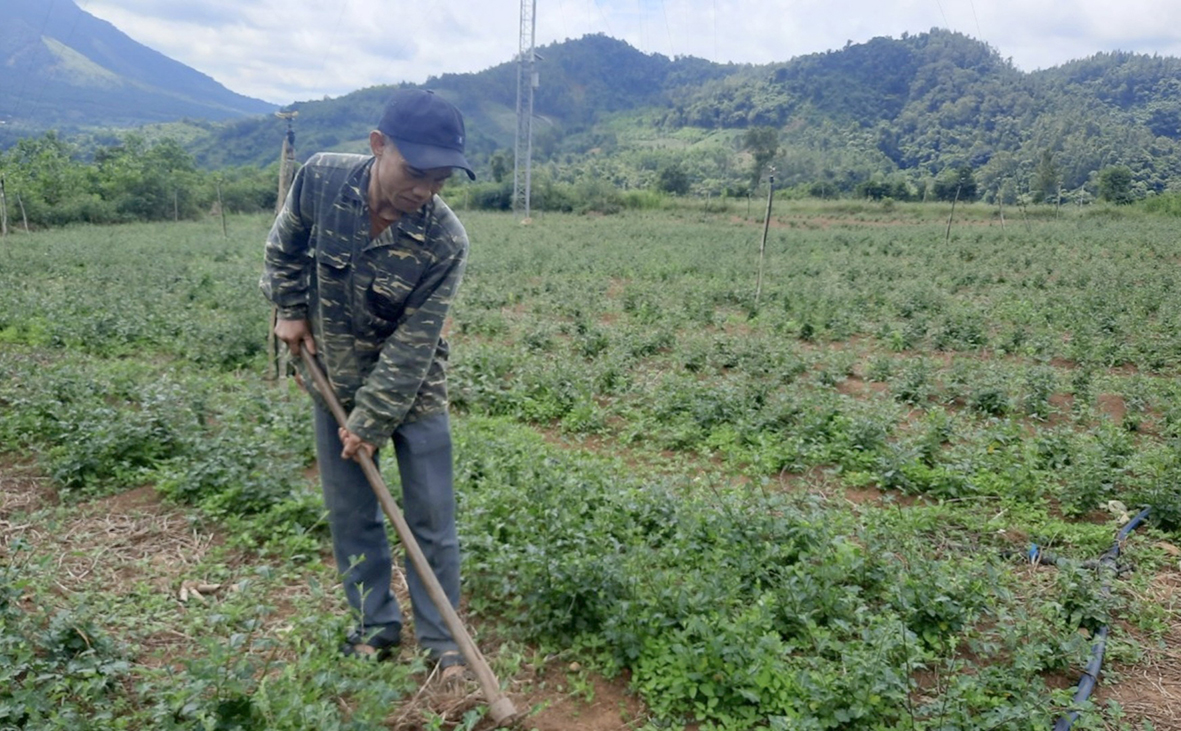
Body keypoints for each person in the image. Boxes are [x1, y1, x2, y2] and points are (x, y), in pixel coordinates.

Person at [260, 88, 475, 681]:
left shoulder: (444, 240)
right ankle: (373, 627)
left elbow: (415, 344)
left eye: (439, 179)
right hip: (331, 375)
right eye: (415, 172)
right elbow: (284, 247)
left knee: (430, 517)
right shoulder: (321, 180)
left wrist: (371, 424)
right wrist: (290, 307)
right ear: (378, 146)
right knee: (351, 510)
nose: (424, 191)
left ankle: (443, 640)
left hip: (414, 391)